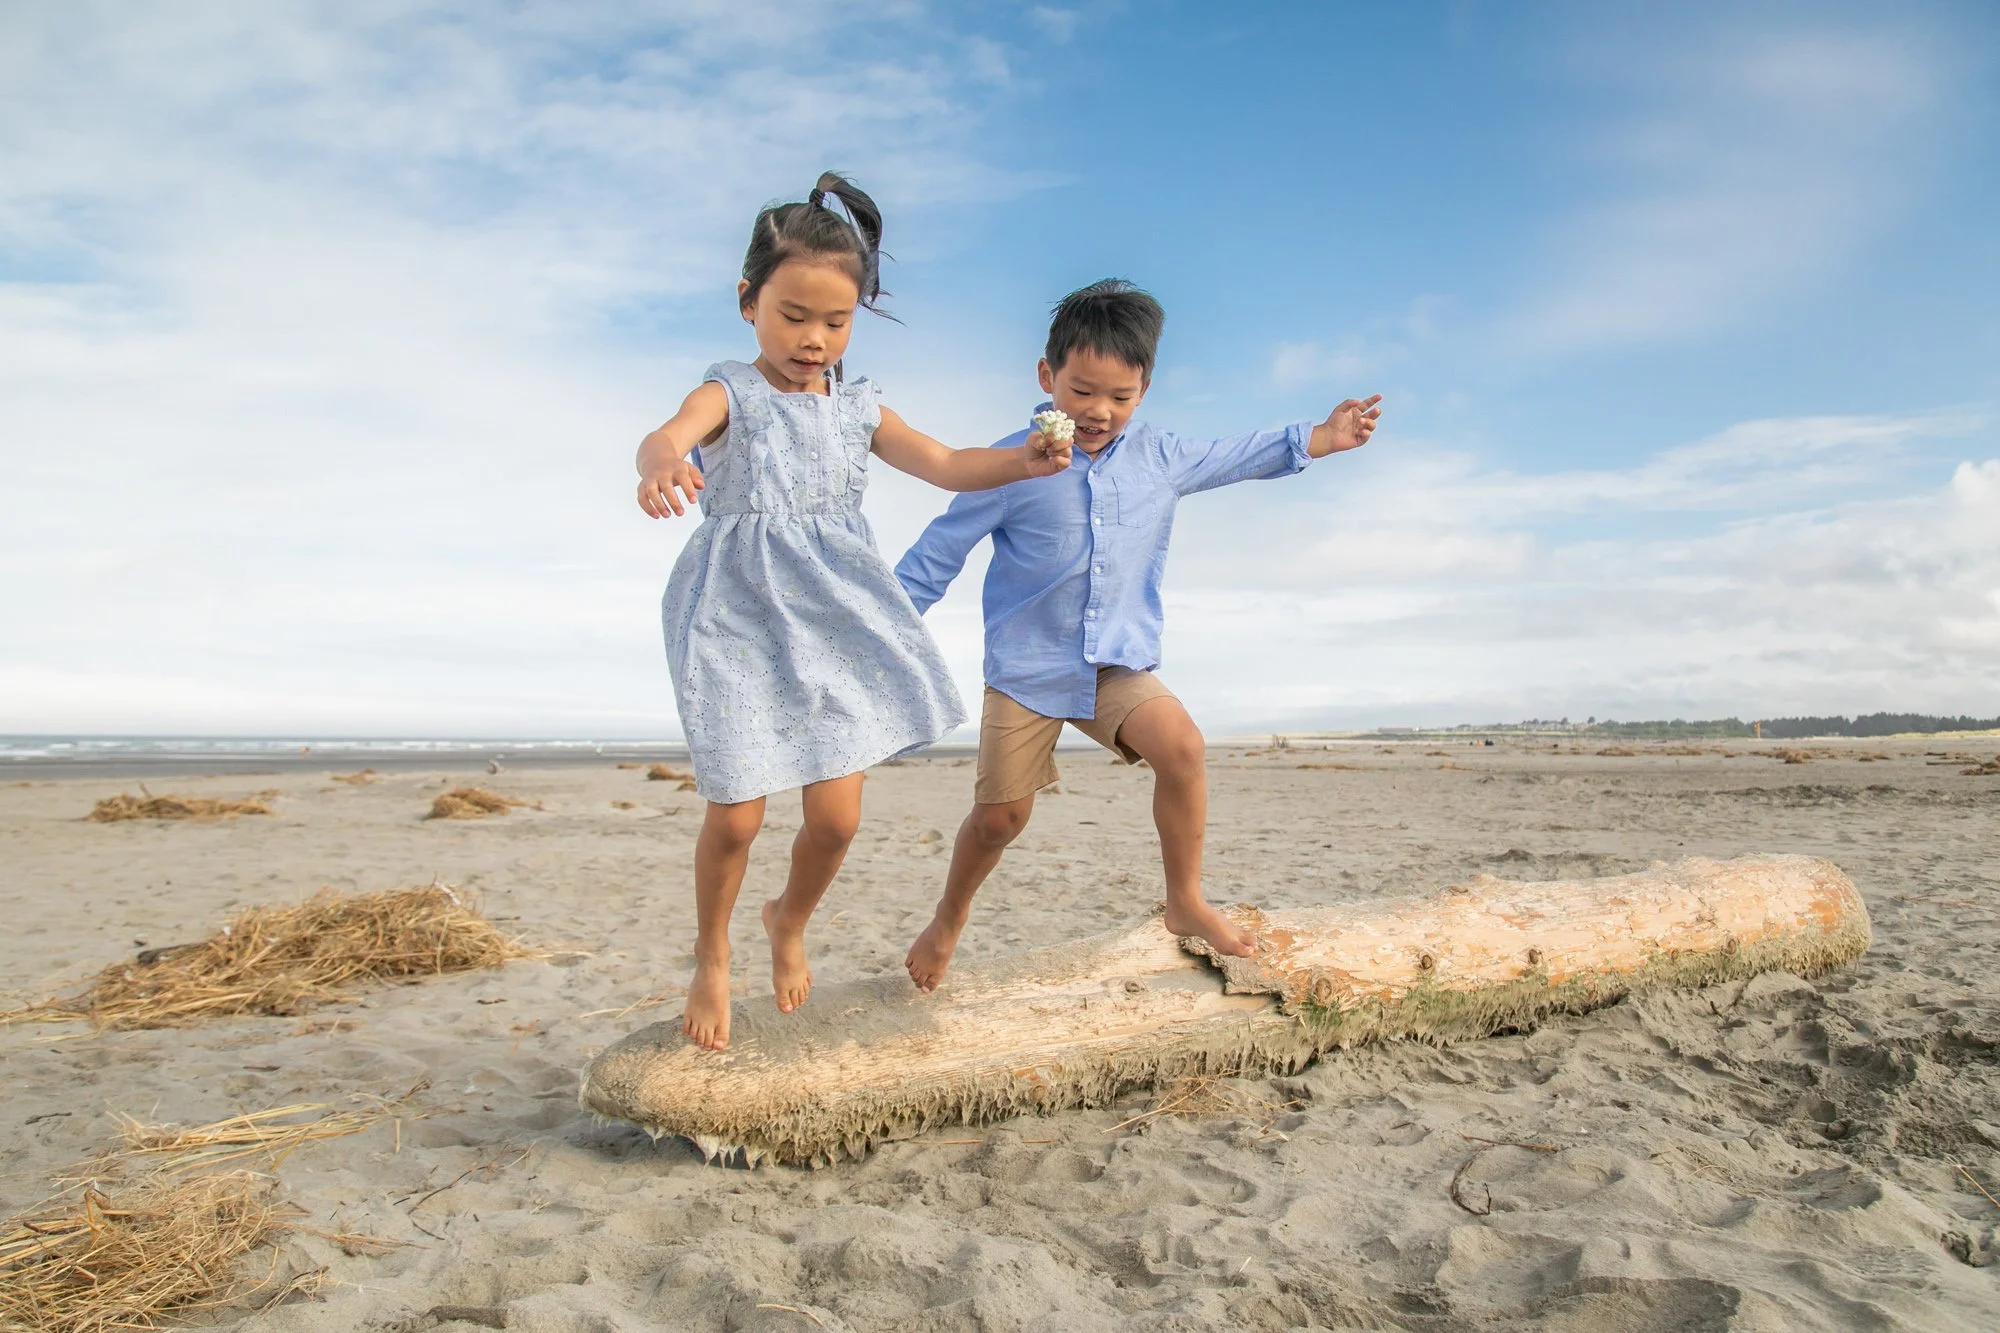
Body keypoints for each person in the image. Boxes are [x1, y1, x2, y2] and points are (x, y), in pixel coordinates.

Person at [633, 173, 1072, 1049]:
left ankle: (786, 919)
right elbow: (671, 431)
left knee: (835, 819)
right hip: (737, 618)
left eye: (835, 322)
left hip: (836, 623)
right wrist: (660, 464)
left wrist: (1024, 461)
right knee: (738, 811)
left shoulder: (861, 405)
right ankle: (712, 954)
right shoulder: (731, 391)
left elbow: (946, 463)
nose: (813, 338)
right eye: (793, 315)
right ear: (748, 301)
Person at [894, 279, 1381, 993]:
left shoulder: (1161, 457)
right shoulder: (1009, 463)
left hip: (1112, 665)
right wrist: (881, 627)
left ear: (1144, 390)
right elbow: (936, 555)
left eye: (1119, 397)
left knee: (1182, 745)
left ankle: (1185, 900)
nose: (1098, 411)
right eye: (1082, 390)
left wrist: (1323, 439)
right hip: (1026, 669)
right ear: (1046, 376)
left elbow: (1240, 453)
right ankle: (947, 919)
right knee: (1000, 820)